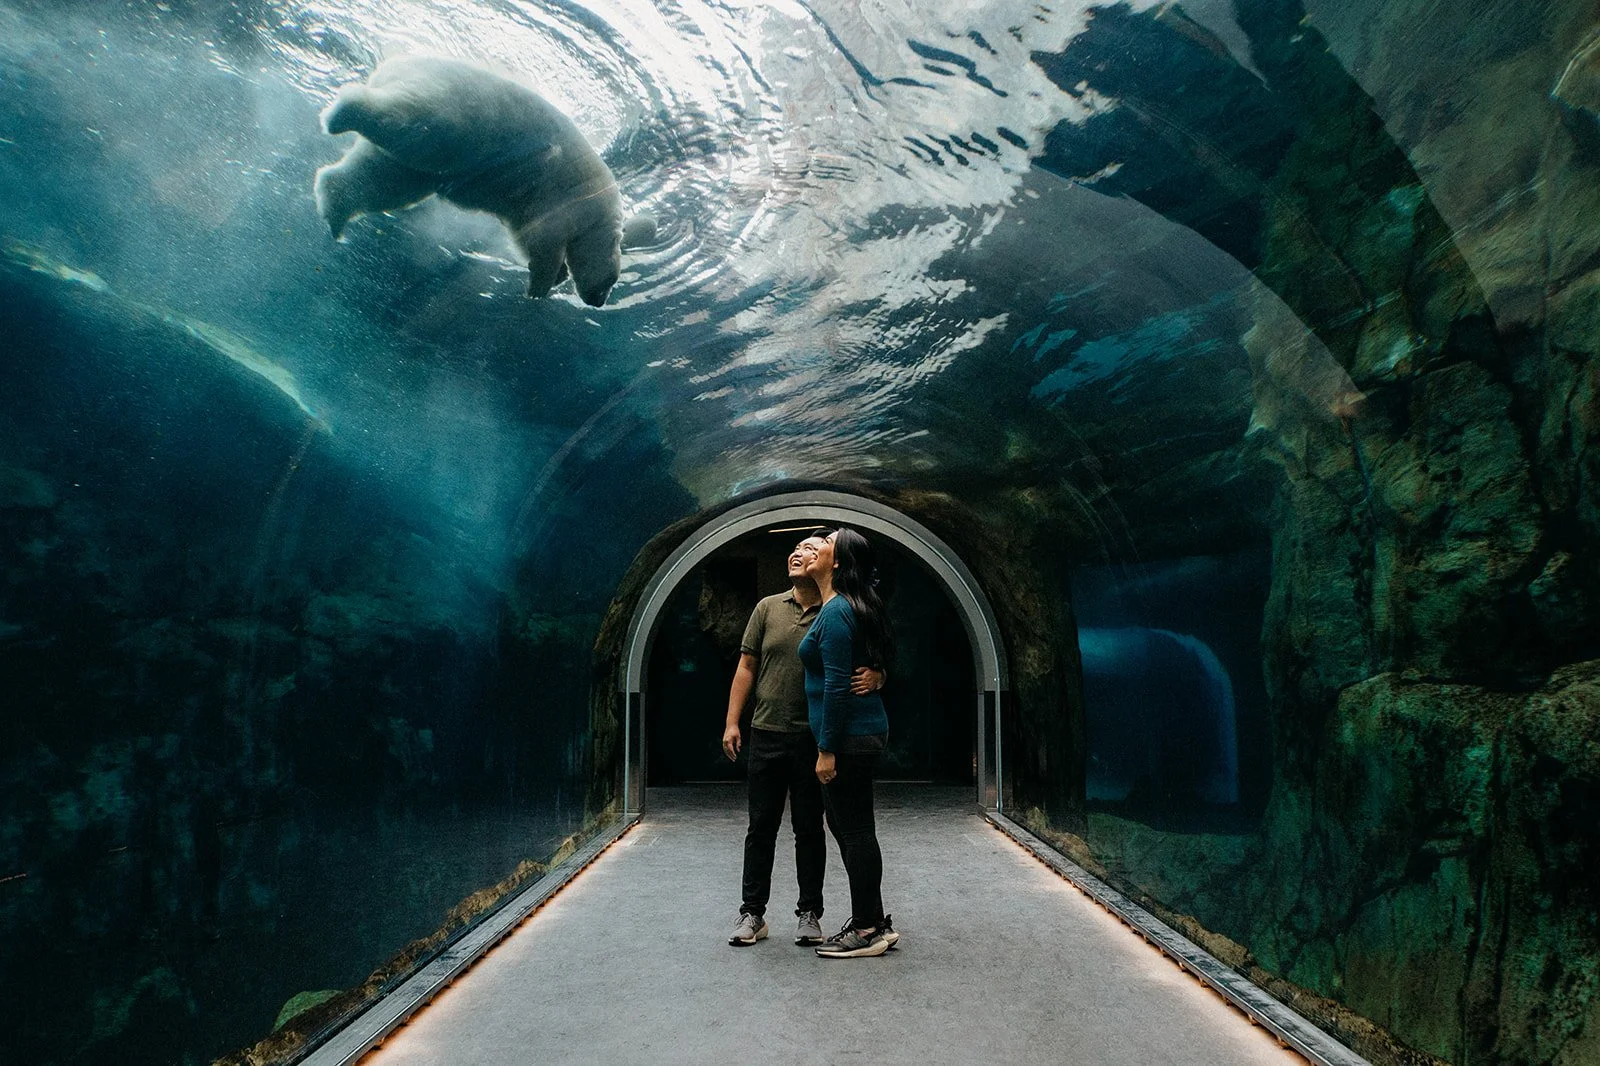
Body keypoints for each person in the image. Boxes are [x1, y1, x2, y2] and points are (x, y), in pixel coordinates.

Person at [724, 530, 883, 947]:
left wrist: (881, 674)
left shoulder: (838, 609)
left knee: (813, 827)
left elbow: (863, 662)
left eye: (813, 547)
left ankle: (813, 912)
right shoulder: (768, 608)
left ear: (832, 563)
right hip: (768, 731)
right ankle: (752, 912)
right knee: (762, 826)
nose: (800, 552)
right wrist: (732, 721)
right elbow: (746, 666)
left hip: (814, 738)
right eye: (797, 548)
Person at [800, 527, 900, 959]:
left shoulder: (839, 610)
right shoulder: (845, 606)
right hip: (858, 733)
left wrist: (826, 750)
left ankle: (866, 929)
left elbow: (838, 684)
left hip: (848, 738)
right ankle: (874, 919)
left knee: (854, 829)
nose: (817, 544)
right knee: (849, 827)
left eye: (826, 543)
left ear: (837, 562)